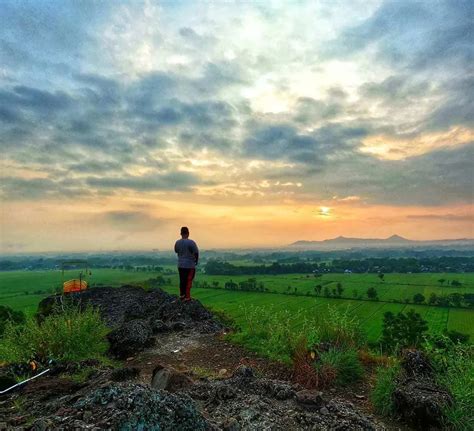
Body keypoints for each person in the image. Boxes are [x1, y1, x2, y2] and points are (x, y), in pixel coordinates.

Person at [174, 226, 199, 301]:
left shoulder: (177, 242)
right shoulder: (191, 242)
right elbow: (196, 253)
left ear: (181, 234)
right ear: (188, 233)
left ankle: (182, 295)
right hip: (189, 265)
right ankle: (187, 297)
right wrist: (196, 261)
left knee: (182, 280)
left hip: (180, 264)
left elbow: (176, 251)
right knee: (189, 280)